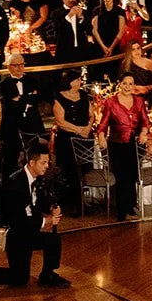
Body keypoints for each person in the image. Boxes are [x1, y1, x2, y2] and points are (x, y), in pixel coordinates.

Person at [0, 141, 71, 290]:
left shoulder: (36, 178)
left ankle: (47, 275)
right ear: (32, 162)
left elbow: (37, 201)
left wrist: (50, 207)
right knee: (19, 278)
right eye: (43, 163)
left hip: (28, 231)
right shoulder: (15, 183)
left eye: (47, 162)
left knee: (53, 240)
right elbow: (19, 219)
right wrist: (46, 221)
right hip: (16, 235)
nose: (47, 166)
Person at [97, 72, 151, 219]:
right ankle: (121, 210)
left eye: (131, 84)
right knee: (121, 177)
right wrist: (101, 136)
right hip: (117, 144)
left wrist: (144, 132)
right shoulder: (110, 102)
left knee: (132, 175)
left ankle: (130, 205)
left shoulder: (139, 101)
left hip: (135, 143)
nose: (128, 87)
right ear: (119, 84)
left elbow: (146, 122)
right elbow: (103, 124)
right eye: (125, 83)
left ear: (134, 86)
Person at [48, 69, 92, 215]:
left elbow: (91, 115)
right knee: (71, 171)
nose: (80, 82)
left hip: (85, 138)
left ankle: (83, 201)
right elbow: (61, 121)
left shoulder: (84, 95)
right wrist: (79, 130)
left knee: (84, 170)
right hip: (68, 139)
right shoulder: (59, 98)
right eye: (78, 79)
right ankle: (73, 204)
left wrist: (88, 128)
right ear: (70, 81)